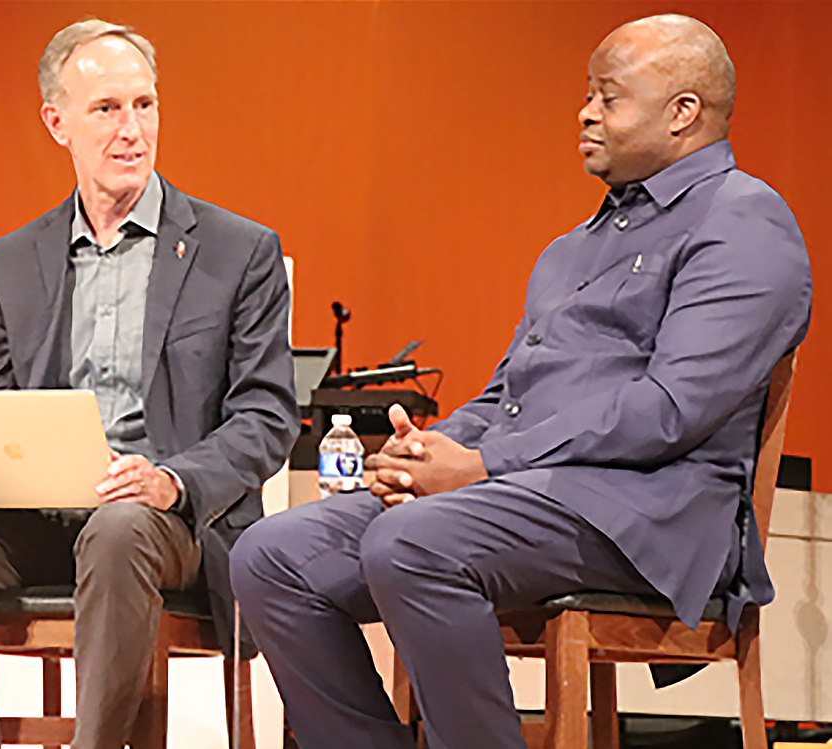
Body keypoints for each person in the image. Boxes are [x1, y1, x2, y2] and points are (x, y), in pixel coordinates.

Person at [231, 14, 812, 749]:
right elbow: (512, 397)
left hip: (651, 509)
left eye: (608, 95)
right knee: (269, 555)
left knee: (413, 543)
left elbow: (673, 409)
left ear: (683, 113)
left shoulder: (745, 222)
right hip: (530, 493)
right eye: (587, 94)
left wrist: (482, 465)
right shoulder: (572, 249)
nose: (586, 111)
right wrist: (435, 449)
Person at [0, 19, 297, 749]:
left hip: (173, 525)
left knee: (120, 527)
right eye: (107, 108)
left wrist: (170, 478)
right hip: (44, 521)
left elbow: (266, 415)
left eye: (145, 105)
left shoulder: (238, 252)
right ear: (57, 122)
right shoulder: (13, 260)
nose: (131, 129)